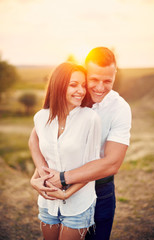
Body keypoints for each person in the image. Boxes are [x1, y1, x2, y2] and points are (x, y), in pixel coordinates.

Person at [29, 47, 132, 240]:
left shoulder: (119, 109)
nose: (100, 87)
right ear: (85, 73)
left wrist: (62, 178)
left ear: (115, 75)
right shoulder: (73, 96)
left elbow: (112, 163)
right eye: (93, 80)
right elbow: (36, 137)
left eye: (107, 81)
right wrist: (41, 173)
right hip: (55, 188)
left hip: (100, 190)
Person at [29, 62, 101, 240]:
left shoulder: (90, 118)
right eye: (73, 84)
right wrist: (37, 179)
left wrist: (67, 193)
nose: (81, 90)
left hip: (79, 203)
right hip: (48, 202)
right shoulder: (41, 117)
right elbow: (36, 145)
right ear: (59, 85)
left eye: (83, 85)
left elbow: (93, 165)